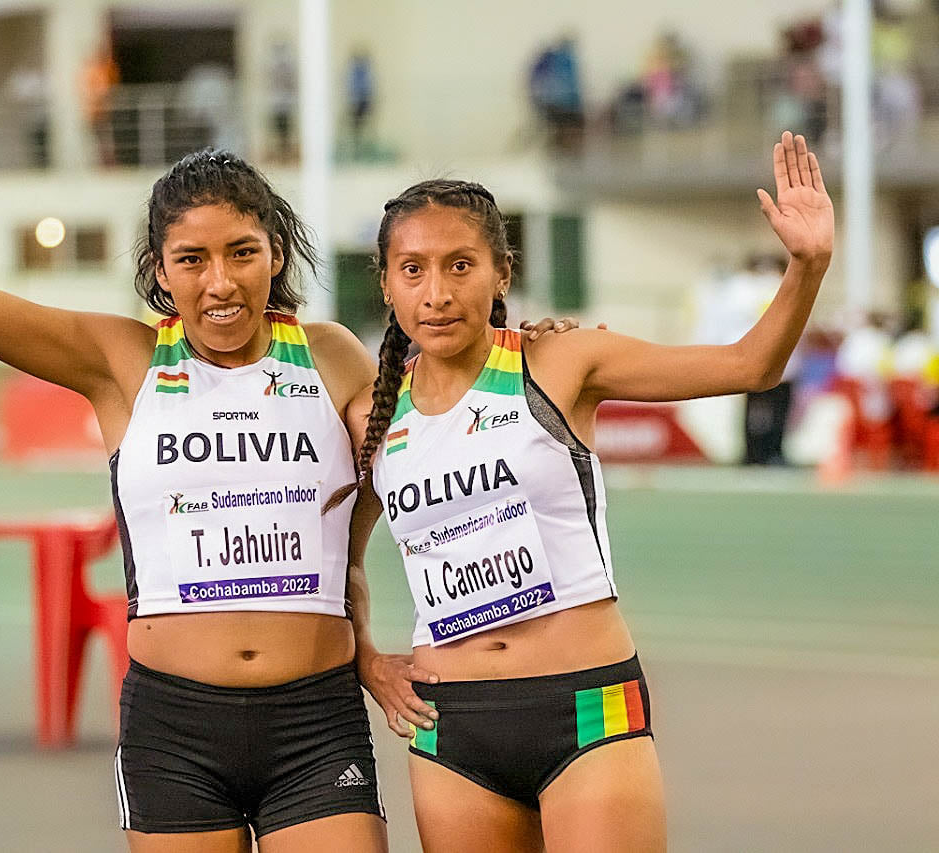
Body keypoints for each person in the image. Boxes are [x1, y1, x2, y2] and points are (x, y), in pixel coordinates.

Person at [0, 27, 576, 851]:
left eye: (242, 253)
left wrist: (526, 352)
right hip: (174, 729)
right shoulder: (120, 360)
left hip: (314, 723)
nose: (219, 281)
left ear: (275, 254)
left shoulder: (328, 355)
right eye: (192, 259)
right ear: (159, 268)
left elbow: (429, 431)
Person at [343, 132, 832, 851]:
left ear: (502, 274)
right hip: (451, 728)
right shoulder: (374, 415)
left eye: (461, 265)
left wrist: (808, 265)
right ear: (386, 283)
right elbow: (337, 560)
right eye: (412, 269)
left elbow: (750, 365)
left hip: (585, 705)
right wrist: (365, 658)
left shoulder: (561, 361)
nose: (437, 292)